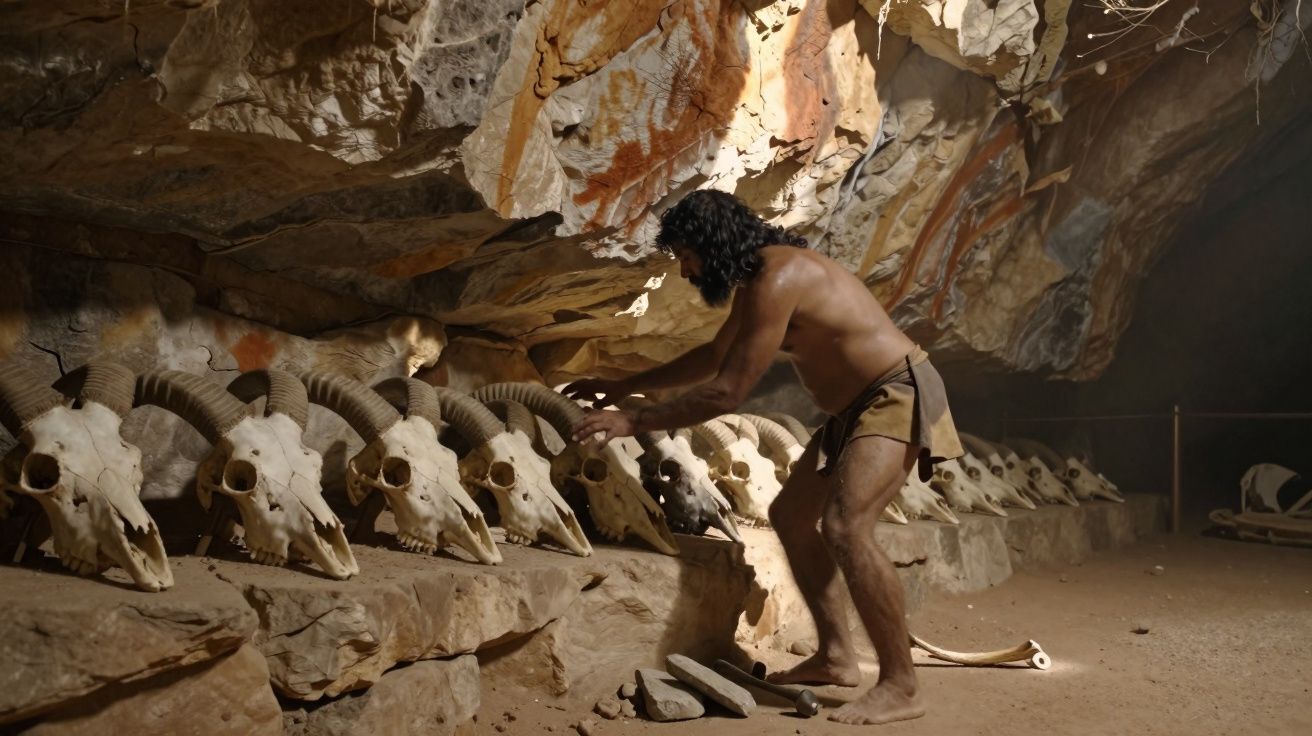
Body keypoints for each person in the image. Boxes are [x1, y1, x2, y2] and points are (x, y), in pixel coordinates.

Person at [565, 189, 963, 726]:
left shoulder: (779, 276)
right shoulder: (758, 281)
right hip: (854, 410)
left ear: (713, 243)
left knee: (846, 527)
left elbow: (727, 392)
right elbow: (714, 357)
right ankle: (837, 657)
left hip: (895, 393)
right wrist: (622, 385)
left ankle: (901, 684)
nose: (685, 270)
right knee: (791, 517)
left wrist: (633, 421)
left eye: (687, 255)